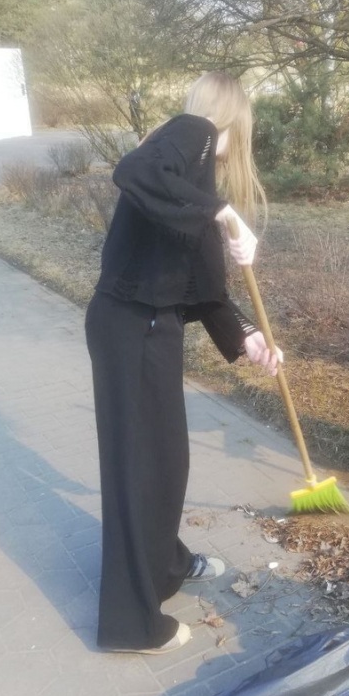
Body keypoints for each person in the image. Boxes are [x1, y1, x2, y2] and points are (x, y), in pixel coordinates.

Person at [86, 71, 278, 656]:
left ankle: (165, 563)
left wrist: (247, 335)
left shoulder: (188, 183)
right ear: (231, 121)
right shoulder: (192, 132)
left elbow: (204, 290)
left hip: (149, 327)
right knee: (141, 472)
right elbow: (133, 171)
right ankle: (130, 624)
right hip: (131, 328)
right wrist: (224, 214)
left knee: (164, 465)